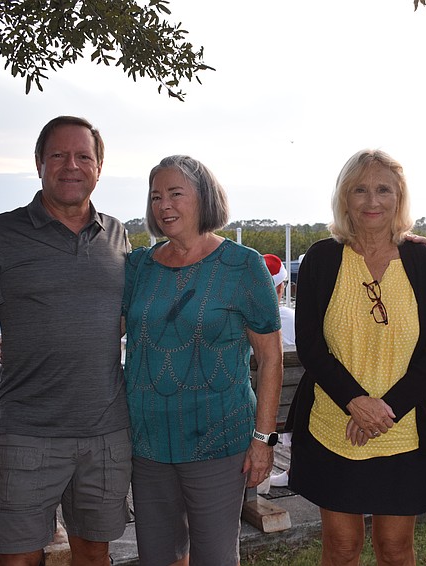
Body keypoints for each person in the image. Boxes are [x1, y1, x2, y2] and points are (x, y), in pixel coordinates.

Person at [0, 116, 132, 566]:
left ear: (99, 166)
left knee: (94, 555)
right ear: (39, 164)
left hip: (107, 434)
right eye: (58, 155)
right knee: (17, 559)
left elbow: (120, 320)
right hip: (25, 435)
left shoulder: (117, 235)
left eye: (83, 156)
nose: (71, 166)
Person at [288, 149, 426, 565]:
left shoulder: (423, 261)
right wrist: (356, 403)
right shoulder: (321, 259)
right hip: (334, 425)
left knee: (395, 550)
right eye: (359, 190)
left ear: (400, 198)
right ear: (344, 198)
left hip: (404, 429)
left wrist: (386, 410)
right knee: (341, 547)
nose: (372, 201)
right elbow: (310, 345)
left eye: (384, 190)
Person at [122, 155, 283, 566]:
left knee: (214, 558)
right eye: (156, 196)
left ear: (204, 198)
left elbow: (270, 358)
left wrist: (263, 440)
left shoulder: (243, 265)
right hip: (148, 442)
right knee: (158, 558)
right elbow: (108, 333)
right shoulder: (139, 266)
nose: (164, 205)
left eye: (176, 193)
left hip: (219, 439)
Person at [262, 253, 296, 489]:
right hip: (294, 411)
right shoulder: (296, 319)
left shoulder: (239, 323)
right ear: (280, 288)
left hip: (257, 411)